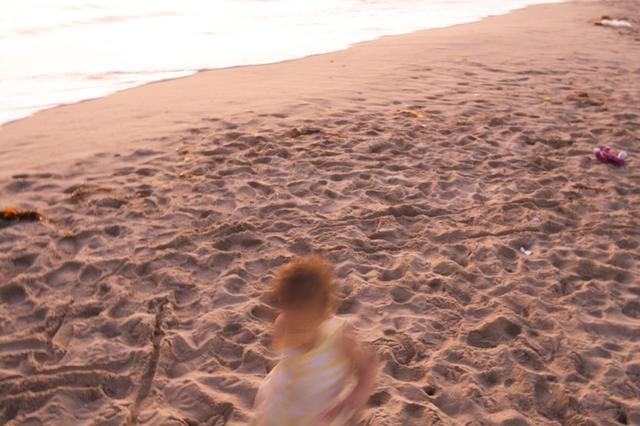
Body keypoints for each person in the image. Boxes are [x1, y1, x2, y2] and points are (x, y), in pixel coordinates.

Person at [254, 254, 378, 425]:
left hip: (320, 414)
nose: (293, 333)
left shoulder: (341, 336)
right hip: (284, 405)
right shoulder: (283, 323)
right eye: (289, 321)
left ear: (323, 316)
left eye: (301, 328)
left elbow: (367, 367)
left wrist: (359, 392)